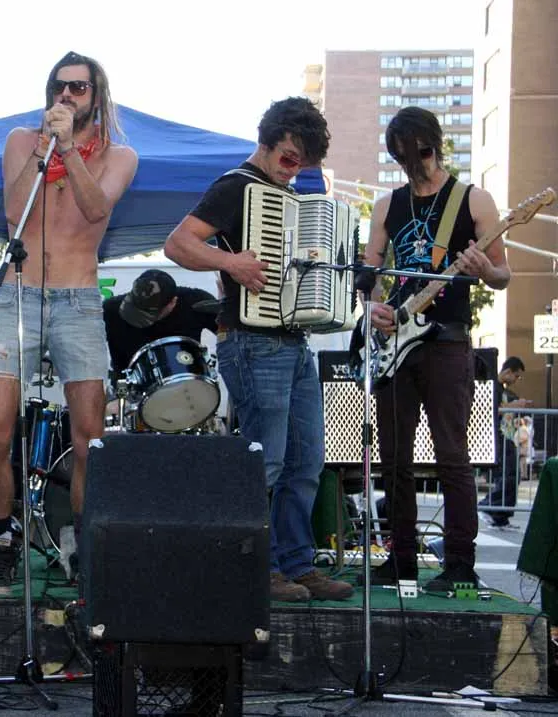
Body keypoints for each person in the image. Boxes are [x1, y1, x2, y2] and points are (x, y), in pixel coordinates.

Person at [164, 96, 354, 602]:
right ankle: (256, 569)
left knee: (306, 463)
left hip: (293, 342)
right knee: (265, 463)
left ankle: (297, 565)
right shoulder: (236, 186)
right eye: (289, 157)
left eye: (302, 163)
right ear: (267, 141)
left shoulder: (288, 197)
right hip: (250, 341)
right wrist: (232, 265)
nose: (293, 170)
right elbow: (178, 243)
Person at [0, 51, 138, 594]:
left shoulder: (120, 155)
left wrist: (69, 149)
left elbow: (96, 209)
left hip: (79, 300)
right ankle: (1, 541)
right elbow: (13, 209)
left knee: (90, 435)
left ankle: (86, 549)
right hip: (18, 294)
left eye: (79, 87)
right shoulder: (22, 141)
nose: (67, 95)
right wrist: (46, 147)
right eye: (59, 86)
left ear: (97, 96)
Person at [361, 106, 511, 593]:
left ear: (435, 145)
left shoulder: (473, 199)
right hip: (397, 343)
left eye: (421, 154)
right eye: (404, 158)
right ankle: (401, 558)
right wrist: (373, 307)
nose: (415, 166)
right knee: (393, 458)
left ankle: (460, 562)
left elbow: (503, 274)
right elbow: (371, 272)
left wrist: (484, 270)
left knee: (452, 455)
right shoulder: (387, 205)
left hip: (448, 341)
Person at [103, 268, 218, 376]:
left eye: (149, 313)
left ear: (173, 303)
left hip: (188, 379)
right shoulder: (110, 309)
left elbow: (225, 336)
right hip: (128, 381)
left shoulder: (197, 303)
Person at [480, 356, 531, 528]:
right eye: (516, 376)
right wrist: (515, 405)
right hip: (498, 435)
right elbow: (491, 410)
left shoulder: (499, 388)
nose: (516, 380)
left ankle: (500, 516)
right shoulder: (493, 386)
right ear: (508, 372)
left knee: (510, 474)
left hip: (503, 435)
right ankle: (489, 507)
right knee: (509, 474)